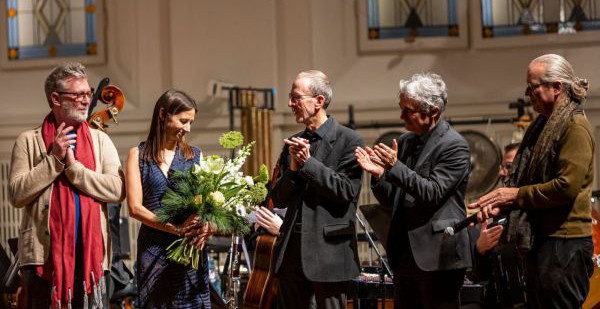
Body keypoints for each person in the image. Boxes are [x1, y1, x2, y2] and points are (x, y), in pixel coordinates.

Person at [469, 54, 594, 309]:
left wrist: (513, 196)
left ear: (557, 87)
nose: (528, 94)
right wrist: (502, 204)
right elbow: (528, 180)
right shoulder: (541, 127)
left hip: (565, 243)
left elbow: (566, 186)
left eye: (533, 86)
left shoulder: (574, 127)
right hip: (544, 240)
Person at [8, 62, 125, 308]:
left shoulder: (100, 140)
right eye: (78, 95)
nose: (85, 100)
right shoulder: (28, 141)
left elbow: (118, 190)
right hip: (44, 261)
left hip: (91, 259)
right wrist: (53, 161)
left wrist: (75, 170)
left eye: (88, 94)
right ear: (56, 98)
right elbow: (17, 195)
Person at [355, 72, 472, 309]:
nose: (401, 117)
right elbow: (392, 199)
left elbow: (432, 193)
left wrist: (395, 167)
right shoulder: (407, 141)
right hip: (405, 254)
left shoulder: (454, 145)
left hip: (438, 256)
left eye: (408, 110)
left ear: (434, 112)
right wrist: (379, 175)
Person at [269, 70, 364, 309]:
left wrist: (309, 164)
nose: (291, 104)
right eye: (290, 98)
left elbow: (345, 192)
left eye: (296, 97)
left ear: (319, 101)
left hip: (328, 254)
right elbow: (278, 200)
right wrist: (292, 169)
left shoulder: (349, 140)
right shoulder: (294, 141)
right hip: (292, 254)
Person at [126, 89, 215, 308]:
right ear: (163, 114)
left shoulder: (195, 155)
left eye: (191, 122)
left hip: (189, 252)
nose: (188, 128)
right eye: (183, 121)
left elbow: (207, 206)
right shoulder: (137, 155)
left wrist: (208, 225)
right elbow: (135, 208)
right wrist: (175, 229)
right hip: (154, 250)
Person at [470, 142, 525, 308]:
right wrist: (479, 250)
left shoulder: (536, 211)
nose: (501, 173)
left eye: (507, 167)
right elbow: (481, 276)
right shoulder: (495, 214)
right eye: (502, 166)